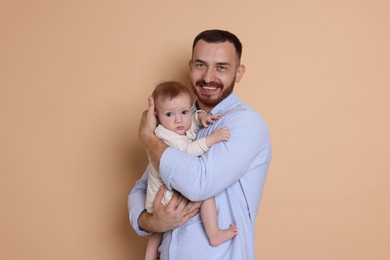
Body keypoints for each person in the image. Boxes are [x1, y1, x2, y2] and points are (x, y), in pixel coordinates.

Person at [129, 29, 272, 260]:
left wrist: (148, 138)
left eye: (221, 67)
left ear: (238, 72)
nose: (208, 77)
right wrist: (151, 221)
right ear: (190, 66)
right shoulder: (177, 122)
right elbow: (142, 188)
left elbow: (198, 184)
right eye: (201, 65)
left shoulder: (246, 123)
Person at [144, 81, 238, 260]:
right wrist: (212, 138)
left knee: (157, 230)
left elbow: (192, 122)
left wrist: (200, 117)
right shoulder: (165, 135)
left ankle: (149, 256)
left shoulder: (177, 128)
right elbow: (189, 151)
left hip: (155, 199)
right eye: (169, 114)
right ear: (156, 116)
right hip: (165, 198)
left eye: (184, 112)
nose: (179, 120)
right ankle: (214, 233)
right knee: (206, 193)